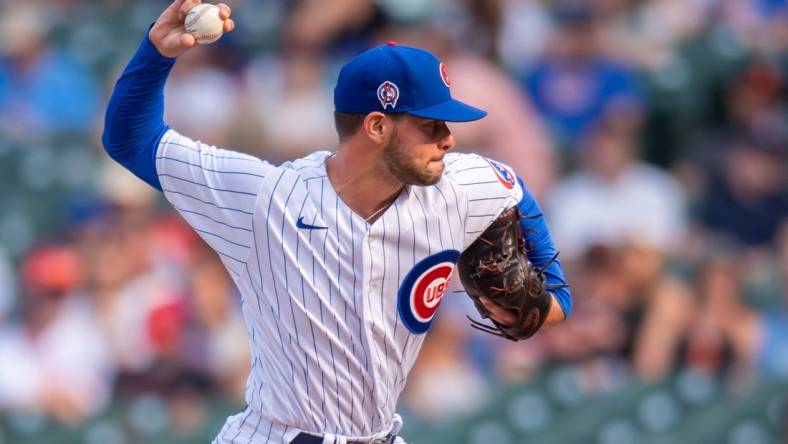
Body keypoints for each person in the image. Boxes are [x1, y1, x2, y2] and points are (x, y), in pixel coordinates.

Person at [102, 1, 572, 442]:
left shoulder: (458, 187)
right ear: (376, 126)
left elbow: (513, 191)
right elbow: (129, 138)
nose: (448, 140)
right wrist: (155, 54)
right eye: (431, 126)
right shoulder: (268, 198)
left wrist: (552, 294)